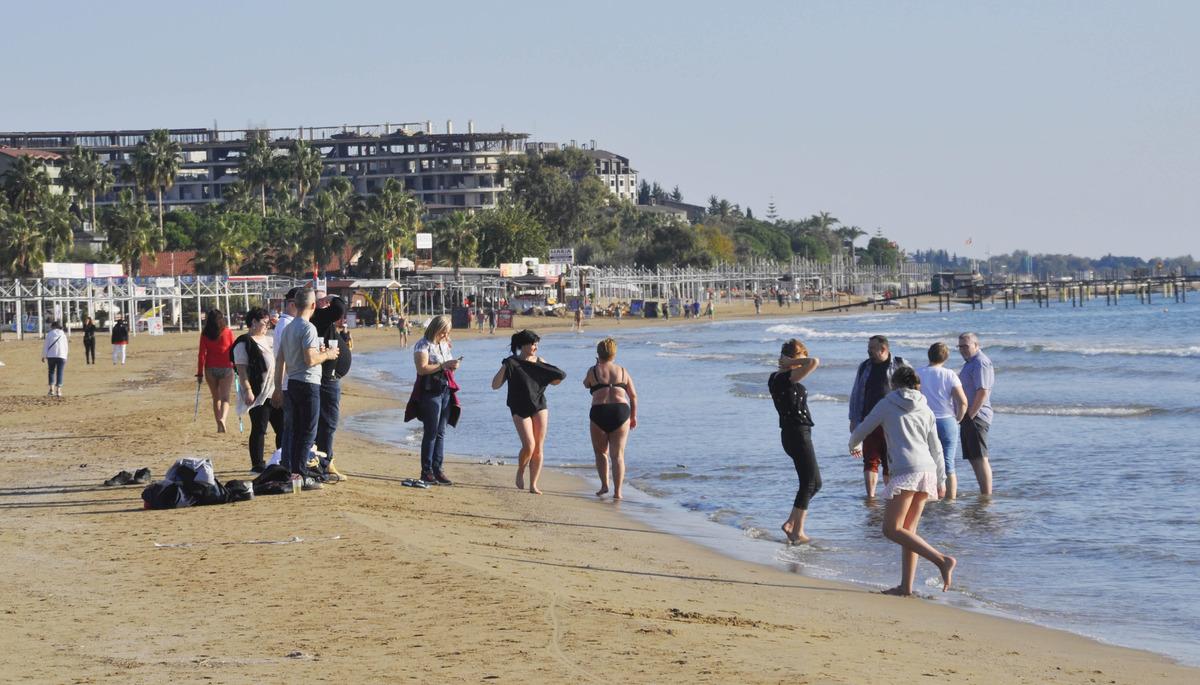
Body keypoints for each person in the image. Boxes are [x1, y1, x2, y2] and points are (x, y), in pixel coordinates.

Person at [849, 366, 955, 596]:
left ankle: (941, 560)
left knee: (891, 529)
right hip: (927, 470)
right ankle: (906, 588)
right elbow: (936, 447)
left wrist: (853, 445)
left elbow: (864, 426)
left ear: (894, 385)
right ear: (917, 385)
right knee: (909, 531)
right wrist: (942, 479)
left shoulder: (887, 403)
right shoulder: (926, 408)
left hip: (906, 470)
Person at [271, 288, 338, 490]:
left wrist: (277, 388)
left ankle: (293, 471)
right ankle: (300, 474)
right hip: (307, 384)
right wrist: (328, 354)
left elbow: (280, 361)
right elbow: (310, 360)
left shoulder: (288, 328)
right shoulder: (307, 328)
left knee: (295, 430)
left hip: (292, 383)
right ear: (313, 306)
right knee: (308, 431)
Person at [491, 329, 566, 495]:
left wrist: (548, 375)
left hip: (539, 405)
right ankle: (520, 470)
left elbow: (555, 381)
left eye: (537, 344)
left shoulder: (540, 361)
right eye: (533, 344)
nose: (535, 347)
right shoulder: (511, 363)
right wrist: (505, 367)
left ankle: (534, 484)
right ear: (523, 345)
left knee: (538, 447)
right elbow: (495, 385)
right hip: (519, 407)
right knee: (529, 445)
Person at [768, 338, 821, 544]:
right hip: (796, 433)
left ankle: (792, 523)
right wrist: (789, 363)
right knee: (809, 482)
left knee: (814, 483)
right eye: (802, 355)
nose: (804, 360)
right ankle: (796, 529)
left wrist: (790, 363)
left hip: (797, 433)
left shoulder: (782, 378)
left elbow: (810, 362)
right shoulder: (782, 378)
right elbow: (814, 362)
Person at [849, 335, 910, 498]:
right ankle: (871, 496)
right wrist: (853, 420)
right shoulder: (864, 367)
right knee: (870, 460)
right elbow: (856, 394)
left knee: (890, 461)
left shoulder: (899, 363)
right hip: (869, 420)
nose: (868, 352)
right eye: (868, 348)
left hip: (894, 421)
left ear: (883, 349)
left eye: (871, 349)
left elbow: (914, 388)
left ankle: (890, 495)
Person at [583, 337, 638, 499]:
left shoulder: (593, 370)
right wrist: (633, 416)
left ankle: (604, 486)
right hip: (620, 411)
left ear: (598, 353)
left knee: (600, 453)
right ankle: (618, 492)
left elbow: (586, 384)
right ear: (614, 354)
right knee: (618, 455)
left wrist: (595, 368)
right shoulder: (622, 371)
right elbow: (633, 397)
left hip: (599, 411)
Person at [917, 343, 968, 500]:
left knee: (926, 462)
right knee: (948, 463)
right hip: (946, 420)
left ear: (929, 355)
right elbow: (963, 402)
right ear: (945, 357)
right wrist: (958, 418)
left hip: (925, 420)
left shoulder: (918, 373)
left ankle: (929, 497)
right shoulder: (949, 374)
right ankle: (950, 501)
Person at [413, 315, 460, 485]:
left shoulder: (444, 344)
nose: (445, 335)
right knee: (431, 431)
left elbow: (447, 365)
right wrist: (443, 365)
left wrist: (453, 365)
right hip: (430, 390)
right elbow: (422, 369)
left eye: (447, 333)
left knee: (441, 432)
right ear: (437, 329)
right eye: (443, 332)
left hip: (445, 388)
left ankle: (437, 469)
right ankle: (426, 471)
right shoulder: (422, 345)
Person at [232, 308, 279, 472]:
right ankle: (257, 464)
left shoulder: (271, 339)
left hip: (275, 389)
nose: (267, 325)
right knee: (260, 428)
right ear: (253, 322)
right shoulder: (243, 343)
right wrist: (247, 390)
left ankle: (281, 458)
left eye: (268, 321)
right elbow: (241, 370)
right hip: (258, 392)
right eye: (263, 321)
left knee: (283, 427)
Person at [312, 296, 352, 480]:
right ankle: (325, 463)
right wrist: (332, 298)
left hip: (329, 377)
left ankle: (325, 461)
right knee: (328, 423)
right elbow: (339, 308)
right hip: (327, 378)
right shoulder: (318, 316)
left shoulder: (317, 318)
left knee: (325, 423)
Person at [958, 332, 995, 495]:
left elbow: (982, 392)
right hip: (968, 416)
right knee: (973, 458)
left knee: (980, 457)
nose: (962, 350)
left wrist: (970, 416)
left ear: (976, 345)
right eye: (960, 347)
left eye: (966, 346)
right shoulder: (969, 363)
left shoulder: (980, 363)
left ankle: (987, 495)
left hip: (977, 416)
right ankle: (983, 494)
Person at [271, 288, 300, 458]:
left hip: (289, 381)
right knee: (291, 426)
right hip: (289, 382)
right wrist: (279, 387)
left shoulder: (287, 323)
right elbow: (284, 358)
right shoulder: (286, 325)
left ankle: (289, 461)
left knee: (292, 426)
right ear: (292, 304)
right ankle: (288, 462)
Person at [197, 310, 235, 433]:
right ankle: (223, 419)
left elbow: (202, 354)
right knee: (225, 398)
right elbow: (233, 350)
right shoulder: (228, 332)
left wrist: (199, 373)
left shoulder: (205, 334)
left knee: (216, 398)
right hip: (226, 367)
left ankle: (218, 424)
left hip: (210, 368)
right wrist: (237, 366)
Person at [41, 320, 68, 397]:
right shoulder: (63, 334)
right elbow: (66, 346)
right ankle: (58, 390)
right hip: (61, 355)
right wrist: (65, 356)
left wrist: (43, 355)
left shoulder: (49, 334)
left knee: (51, 372)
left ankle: (51, 390)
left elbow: (46, 346)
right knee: (60, 372)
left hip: (51, 355)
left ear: (53, 326)